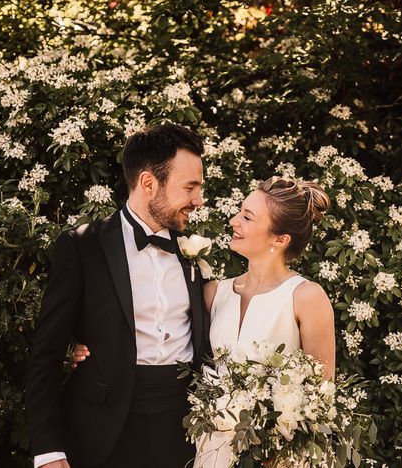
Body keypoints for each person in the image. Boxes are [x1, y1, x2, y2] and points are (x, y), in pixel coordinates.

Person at [74, 175, 336, 468]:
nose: (234, 221)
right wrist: (84, 345)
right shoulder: (215, 292)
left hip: (278, 455)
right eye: (239, 211)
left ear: (280, 239)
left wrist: (275, 445)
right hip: (214, 449)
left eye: (247, 217)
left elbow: (320, 397)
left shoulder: (306, 297)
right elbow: (144, 320)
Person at [26, 123, 208, 468]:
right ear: (148, 183)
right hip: (104, 432)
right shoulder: (83, 246)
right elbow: (45, 354)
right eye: (190, 187)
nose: (198, 200)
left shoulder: (194, 251)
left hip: (187, 430)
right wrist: (48, 449)